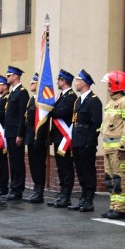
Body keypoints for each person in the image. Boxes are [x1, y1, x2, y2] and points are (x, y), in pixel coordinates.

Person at [99, 71, 125, 220]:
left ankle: (121, 210)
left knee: (120, 179)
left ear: (116, 85)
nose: (107, 88)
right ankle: (114, 207)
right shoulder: (111, 103)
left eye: (109, 84)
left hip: (118, 150)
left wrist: (123, 147)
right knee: (110, 179)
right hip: (108, 148)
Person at [68, 69, 103, 212]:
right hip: (77, 140)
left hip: (87, 142)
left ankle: (89, 199)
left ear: (83, 83)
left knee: (88, 171)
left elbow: (96, 124)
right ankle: (82, 197)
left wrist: (90, 142)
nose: (75, 84)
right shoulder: (78, 100)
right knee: (80, 171)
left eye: (77, 81)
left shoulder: (93, 101)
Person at [48, 70, 77, 207]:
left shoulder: (71, 97)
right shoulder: (61, 96)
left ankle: (66, 196)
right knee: (60, 167)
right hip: (58, 137)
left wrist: (48, 108)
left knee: (66, 168)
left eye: (58, 80)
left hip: (65, 138)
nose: (57, 82)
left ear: (63, 81)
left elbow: (61, 113)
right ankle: (62, 193)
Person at [3, 66, 29, 201]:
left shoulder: (22, 93)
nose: (7, 78)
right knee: (12, 160)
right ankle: (13, 187)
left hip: (16, 133)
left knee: (18, 161)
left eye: (8, 76)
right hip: (10, 132)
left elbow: (21, 116)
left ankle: (18, 189)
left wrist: (20, 134)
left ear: (15, 76)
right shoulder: (13, 92)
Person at [23, 72, 48, 203]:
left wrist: (40, 138)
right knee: (33, 164)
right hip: (30, 135)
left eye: (33, 82)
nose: (30, 84)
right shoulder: (32, 99)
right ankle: (35, 189)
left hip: (38, 136)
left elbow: (43, 120)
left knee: (39, 165)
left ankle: (40, 192)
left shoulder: (42, 100)